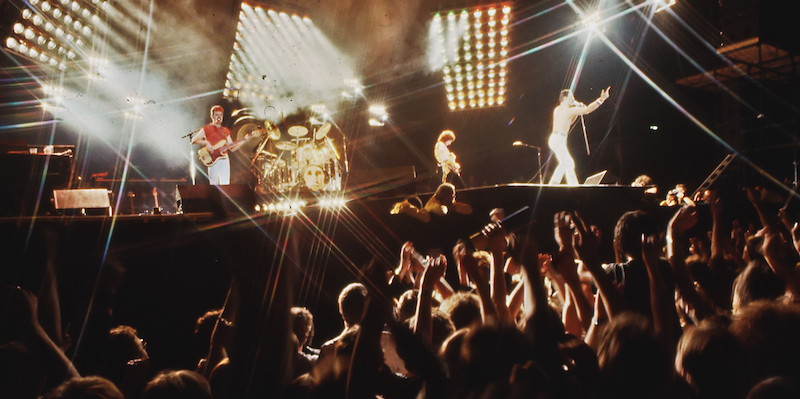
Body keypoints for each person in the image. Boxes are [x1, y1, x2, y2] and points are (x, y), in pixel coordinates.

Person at [548, 87, 611, 185]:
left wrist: (577, 111)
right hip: (559, 139)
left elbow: (569, 122)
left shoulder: (558, 110)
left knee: (568, 163)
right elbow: (588, 110)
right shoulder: (569, 110)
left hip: (555, 139)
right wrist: (601, 99)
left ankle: (573, 184)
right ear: (565, 98)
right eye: (571, 98)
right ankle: (554, 184)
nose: (573, 100)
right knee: (566, 162)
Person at [192, 105, 242, 185]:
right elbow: (194, 140)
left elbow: (232, 148)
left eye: (220, 115)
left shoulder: (225, 130)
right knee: (214, 185)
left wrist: (244, 140)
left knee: (225, 185)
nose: (219, 117)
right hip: (213, 159)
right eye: (216, 115)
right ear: (212, 116)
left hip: (224, 158)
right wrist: (206, 143)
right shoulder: (207, 128)